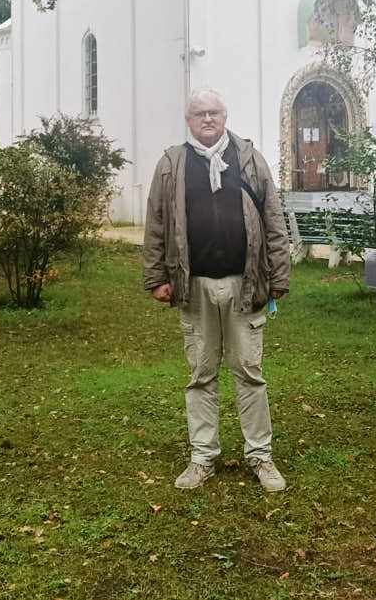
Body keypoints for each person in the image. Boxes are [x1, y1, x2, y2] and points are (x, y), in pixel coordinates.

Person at [142, 89, 291, 492]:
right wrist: (157, 277)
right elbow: (156, 222)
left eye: (214, 112)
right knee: (201, 374)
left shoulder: (248, 158)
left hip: (245, 286)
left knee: (249, 372)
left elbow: (273, 218)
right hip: (194, 288)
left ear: (225, 117)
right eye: (199, 113)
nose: (207, 119)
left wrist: (279, 276)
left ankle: (261, 456)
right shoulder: (172, 164)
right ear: (188, 120)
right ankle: (202, 457)